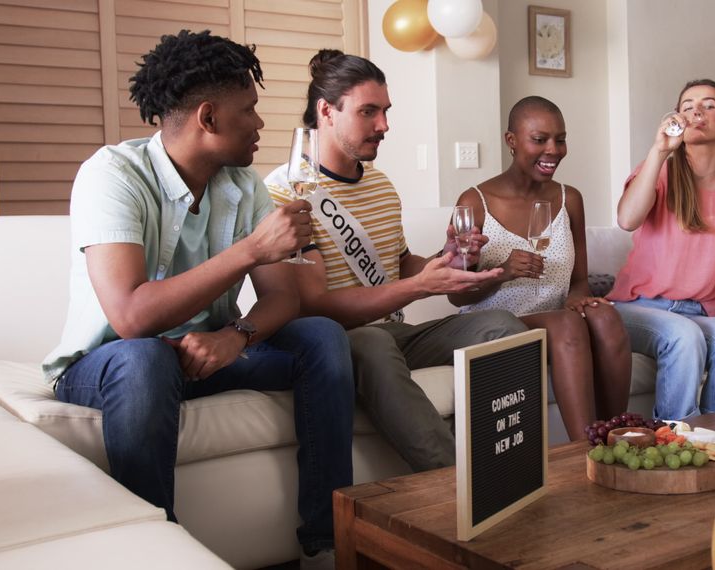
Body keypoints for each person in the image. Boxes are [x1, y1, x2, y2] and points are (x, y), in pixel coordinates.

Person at [41, 30, 354, 566]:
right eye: (249, 110)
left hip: (206, 353)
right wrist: (250, 250)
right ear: (208, 118)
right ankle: (157, 551)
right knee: (144, 359)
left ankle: (327, 545)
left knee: (320, 336)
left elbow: (283, 299)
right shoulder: (112, 175)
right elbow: (131, 317)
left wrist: (237, 336)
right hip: (111, 362)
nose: (260, 124)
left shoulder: (244, 183)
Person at [265, 50, 527, 472]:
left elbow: (401, 263)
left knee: (505, 326)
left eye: (385, 111)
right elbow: (314, 305)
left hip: (395, 333)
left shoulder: (382, 186)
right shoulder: (286, 192)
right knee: (371, 341)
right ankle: (456, 483)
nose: (384, 126)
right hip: (339, 341)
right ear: (326, 112)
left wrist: (448, 260)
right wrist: (420, 286)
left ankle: (509, 467)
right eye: (368, 112)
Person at [448, 96, 632, 440]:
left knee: (606, 315)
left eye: (560, 139)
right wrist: (503, 271)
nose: (554, 150)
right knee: (566, 324)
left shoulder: (570, 199)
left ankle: (615, 437)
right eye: (539, 139)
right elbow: (457, 297)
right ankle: (584, 454)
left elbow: (579, 281)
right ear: (511, 141)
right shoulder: (475, 203)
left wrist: (581, 299)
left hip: (555, 320)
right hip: (494, 325)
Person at [608, 79, 715, 420]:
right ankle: (674, 439)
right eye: (687, 106)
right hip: (639, 307)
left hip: (700, 311)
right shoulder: (661, 170)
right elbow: (626, 219)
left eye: (709, 105)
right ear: (678, 119)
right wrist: (658, 151)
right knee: (683, 336)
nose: (697, 111)